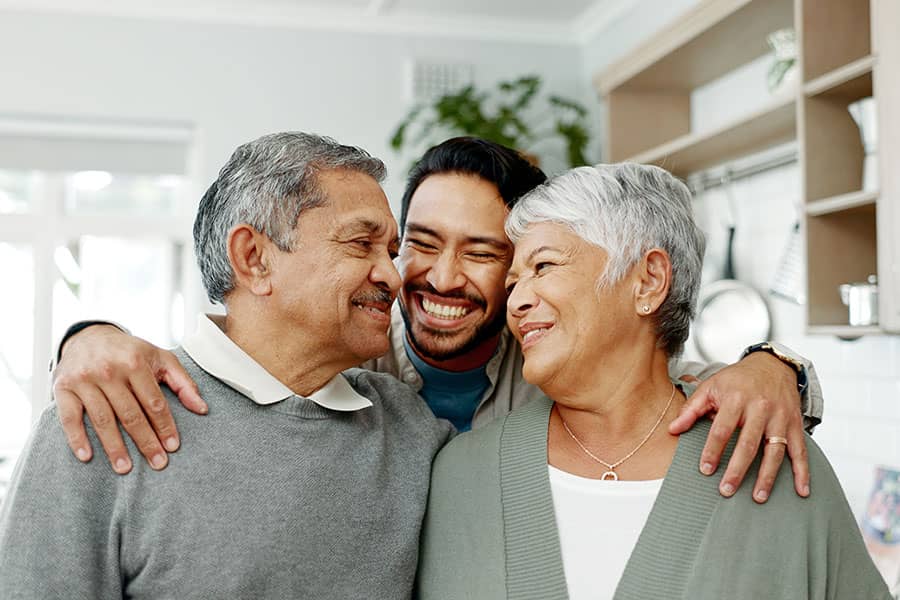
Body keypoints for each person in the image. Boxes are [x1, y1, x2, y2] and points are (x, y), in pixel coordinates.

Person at [53, 137, 822, 502]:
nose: (433, 278)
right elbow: (239, 357)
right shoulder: (351, 352)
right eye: (415, 243)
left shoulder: (552, 364)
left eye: (483, 254)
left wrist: (777, 368)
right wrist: (83, 337)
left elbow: (671, 392)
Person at [0, 132, 453, 598]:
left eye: (392, 253)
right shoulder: (103, 417)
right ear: (254, 259)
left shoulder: (411, 430)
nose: (393, 277)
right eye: (362, 244)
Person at [416, 162, 890, 599]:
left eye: (543, 266)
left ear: (647, 281)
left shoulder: (771, 460)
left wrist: (775, 365)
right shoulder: (460, 474)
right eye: (514, 281)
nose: (515, 302)